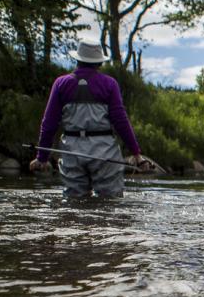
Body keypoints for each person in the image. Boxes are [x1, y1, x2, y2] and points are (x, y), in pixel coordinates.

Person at [29, 38, 148, 197]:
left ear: (78, 59)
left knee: (75, 203)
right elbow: (121, 122)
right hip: (104, 152)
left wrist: (41, 157)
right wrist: (136, 154)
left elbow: (49, 124)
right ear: (99, 63)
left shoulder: (61, 84)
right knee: (110, 204)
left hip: (72, 151)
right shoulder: (109, 84)